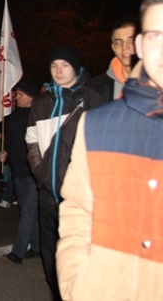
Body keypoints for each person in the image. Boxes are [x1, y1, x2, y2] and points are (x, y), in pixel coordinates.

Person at [57, 0, 163, 300]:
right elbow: (78, 208)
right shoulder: (98, 121)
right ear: (142, 45)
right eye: (157, 35)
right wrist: (76, 281)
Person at [26, 45, 103, 300]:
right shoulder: (40, 103)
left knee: (78, 256)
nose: (58, 71)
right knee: (50, 257)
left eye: (64, 65)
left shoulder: (91, 100)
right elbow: (32, 141)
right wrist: (40, 172)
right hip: (48, 193)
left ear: (76, 68)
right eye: (53, 66)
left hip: (79, 196)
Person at [0, 80, 41, 265]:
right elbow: (11, 142)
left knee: (28, 213)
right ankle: (37, 246)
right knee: (28, 211)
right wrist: (4, 152)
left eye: (20, 94)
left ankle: (18, 252)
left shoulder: (38, 117)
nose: (16, 97)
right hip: (17, 171)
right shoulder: (15, 117)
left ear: (30, 97)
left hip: (33, 173)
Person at [88, 18, 138, 102]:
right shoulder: (96, 88)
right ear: (113, 48)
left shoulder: (157, 83)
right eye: (119, 42)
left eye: (131, 40)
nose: (125, 47)